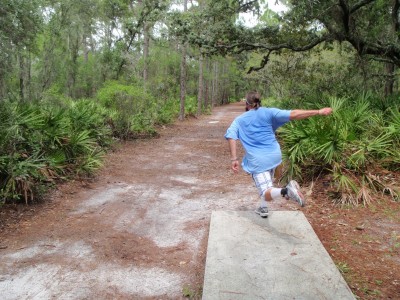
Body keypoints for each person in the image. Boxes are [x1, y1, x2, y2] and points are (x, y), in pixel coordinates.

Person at [225, 91, 333, 218]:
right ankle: (263, 208)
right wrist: (319, 112)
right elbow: (294, 114)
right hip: (275, 156)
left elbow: (231, 136)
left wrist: (234, 159)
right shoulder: (269, 112)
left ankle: (286, 191)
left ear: (247, 104)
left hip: (258, 161)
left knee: (265, 192)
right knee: (267, 183)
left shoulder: (239, 120)